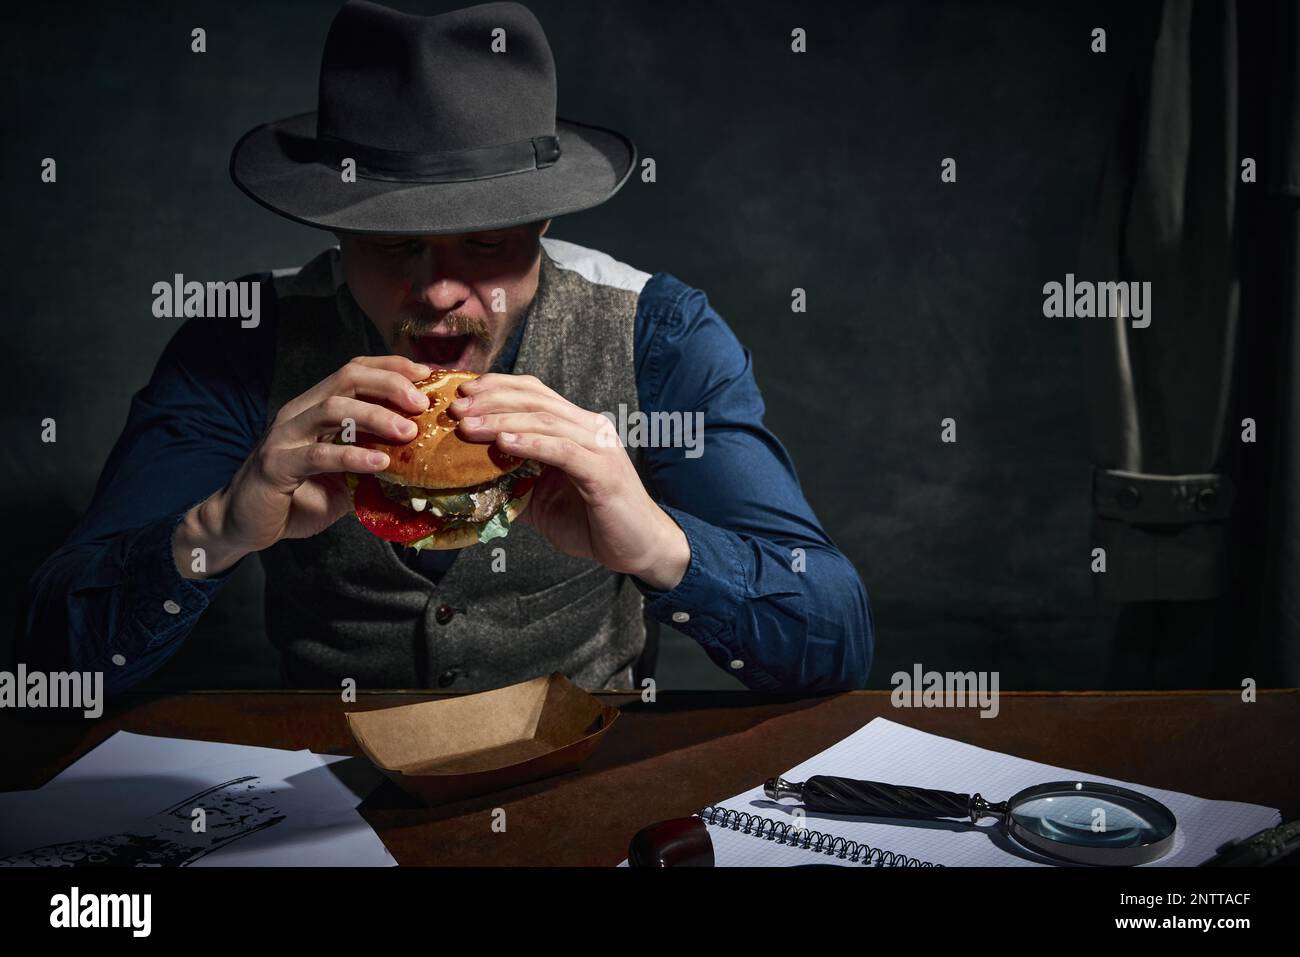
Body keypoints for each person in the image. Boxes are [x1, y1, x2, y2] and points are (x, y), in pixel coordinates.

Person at [23, 0, 872, 694]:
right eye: (394, 246)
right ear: (334, 225)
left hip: (583, 785)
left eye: (488, 243)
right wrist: (213, 528)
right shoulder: (241, 339)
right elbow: (50, 669)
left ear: (543, 222)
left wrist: (657, 543)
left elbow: (835, 643)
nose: (437, 292)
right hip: (325, 793)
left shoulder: (659, 333)